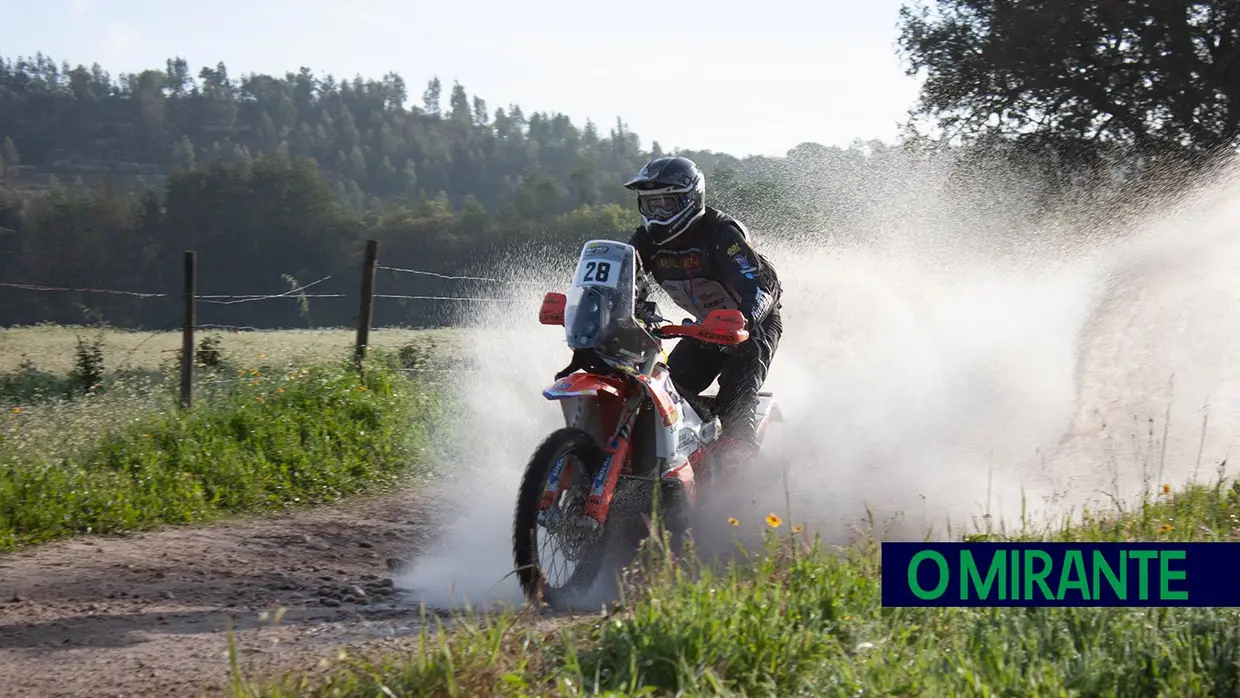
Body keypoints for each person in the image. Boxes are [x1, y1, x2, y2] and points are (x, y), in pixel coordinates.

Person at [623, 155, 783, 479]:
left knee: (736, 401)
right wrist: (636, 308)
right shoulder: (644, 241)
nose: (656, 214)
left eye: (665, 204)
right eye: (650, 204)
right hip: (702, 329)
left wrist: (746, 320)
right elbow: (625, 283)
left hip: (752, 328)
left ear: (689, 198)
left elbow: (763, 287)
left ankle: (752, 480)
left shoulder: (720, 233)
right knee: (667, 390)